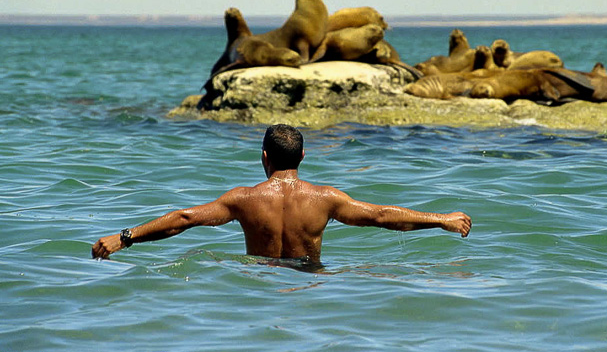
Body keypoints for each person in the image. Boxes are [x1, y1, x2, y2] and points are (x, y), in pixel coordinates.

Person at [92, 124, 472, 262]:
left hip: (258, 289)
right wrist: (442, 220)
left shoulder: (243, 199)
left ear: (263, 157)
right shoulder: (326, 198)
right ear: (303, 156)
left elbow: (184, 220)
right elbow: (381, 216)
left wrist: (125, 238)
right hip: (313, 284)